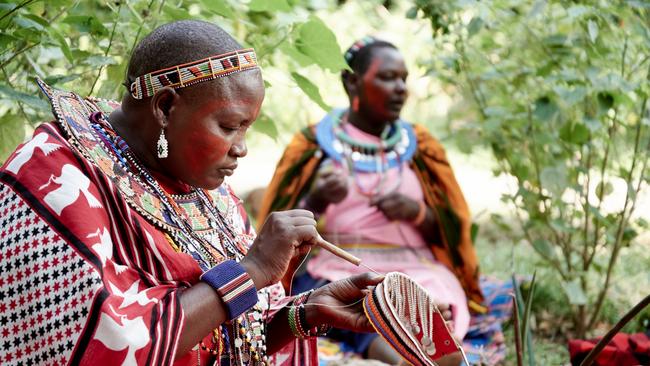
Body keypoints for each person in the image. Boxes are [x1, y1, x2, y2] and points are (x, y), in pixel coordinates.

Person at [0, 21, 383, 366]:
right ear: (166, 107)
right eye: (230, 125)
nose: (242, 148)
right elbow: (106, 347)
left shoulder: (206, 190)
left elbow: (229, 337)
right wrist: (251, 271)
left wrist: (306, 313)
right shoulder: (53, 175)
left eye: (247, 128)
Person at [258, 37, 485, 364]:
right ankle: (406, 354)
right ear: (351, 81)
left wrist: (417, 213)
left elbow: (453, 232)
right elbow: (279, 226)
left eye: (404, 79)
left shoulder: (422, 147)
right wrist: (317, 199)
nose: (400, 88)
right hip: (339, 263)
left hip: (417, 267)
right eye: (387, 77)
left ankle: (430, 345)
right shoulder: (313, 145)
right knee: (351, 297)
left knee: (432, 300)